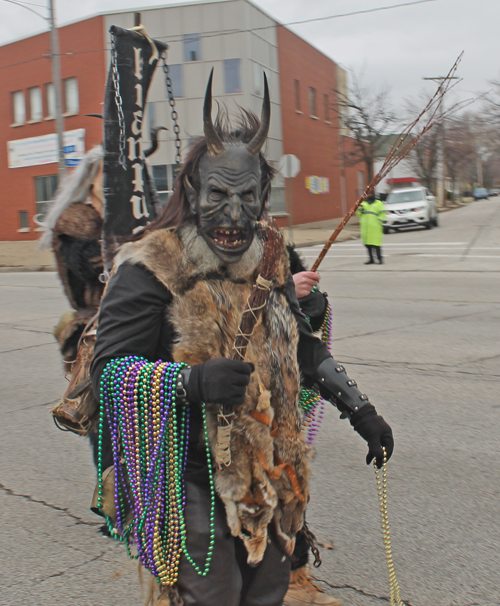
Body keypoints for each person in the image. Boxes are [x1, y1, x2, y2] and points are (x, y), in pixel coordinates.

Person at [89, 73, 394, 606]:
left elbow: (297, 346)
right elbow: (108, 373)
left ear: (262, 198)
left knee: (269, 589)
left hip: (271, 470)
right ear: (192, 190)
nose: (232, 215)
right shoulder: (150, 265)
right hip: (185, 472)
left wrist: (360, 409)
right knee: (214, 592)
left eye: (246, 197)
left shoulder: (267, 258)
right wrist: (190, 382)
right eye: (218, 194)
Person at [356, 192, 386, 265]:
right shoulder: (363, 204)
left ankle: (380, 259)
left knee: (376, 244)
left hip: (375, 227)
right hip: (365, 228)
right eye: (368, 195)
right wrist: (360, 209)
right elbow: (358, 214)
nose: (370, 196)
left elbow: (383, 213)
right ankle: (371, 259)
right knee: (368, 245)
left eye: (371, 194)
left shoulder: (378, 203)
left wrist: (379, 220)